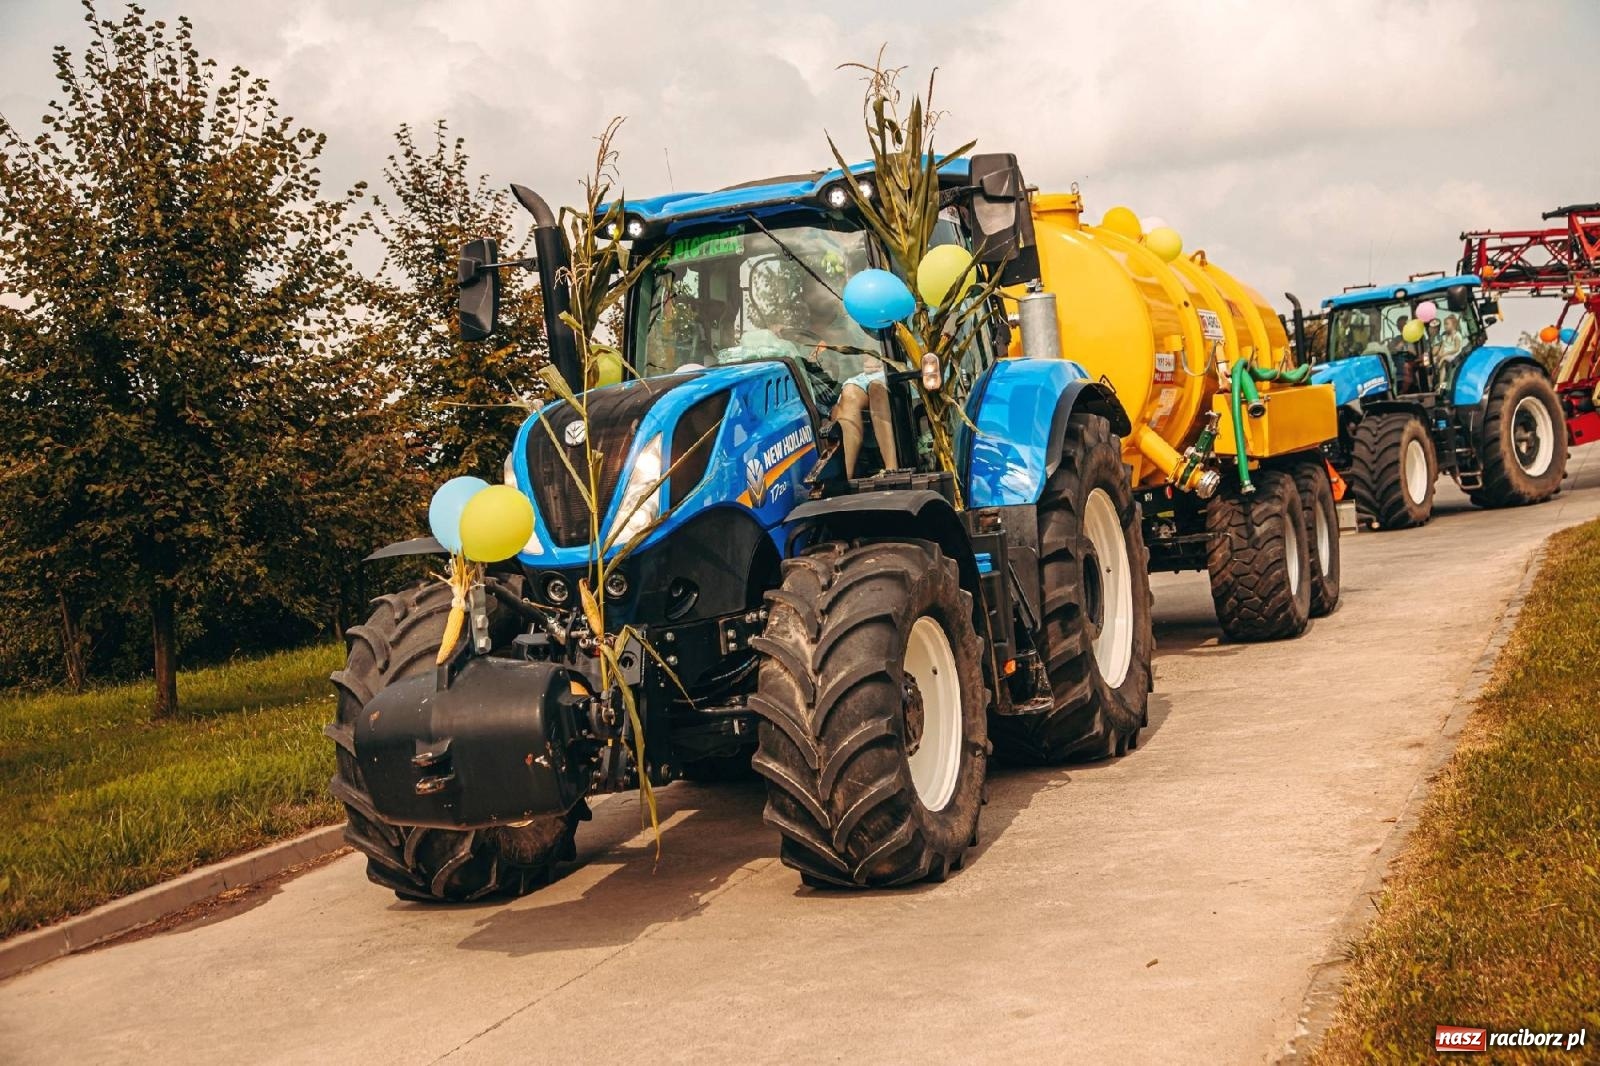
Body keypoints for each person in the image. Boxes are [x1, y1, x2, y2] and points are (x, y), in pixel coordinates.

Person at [780, 271, 899, 476]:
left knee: (876, 388)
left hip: (890, 373)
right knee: (850, 393)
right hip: (858, 378)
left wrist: (883, 360)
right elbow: (836, 353)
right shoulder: (840, 325)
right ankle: (848, 476)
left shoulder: (895, 311)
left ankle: (892, 468)